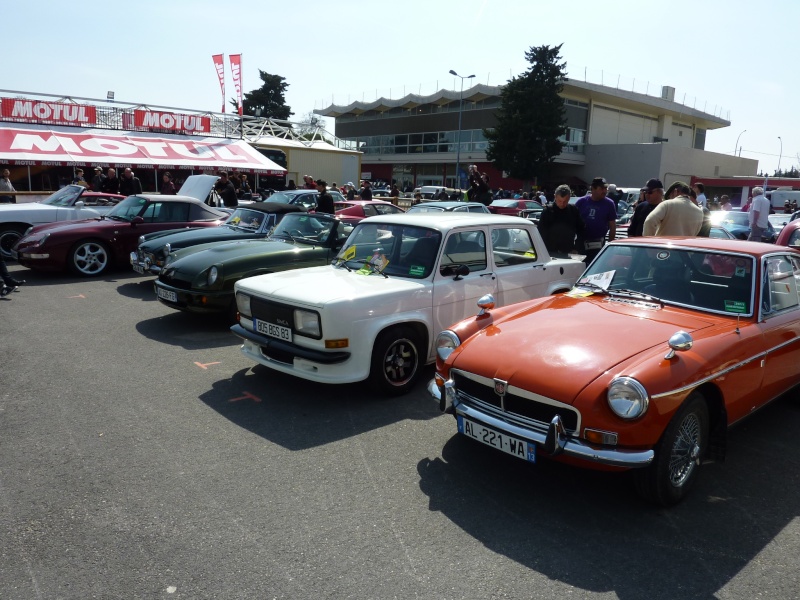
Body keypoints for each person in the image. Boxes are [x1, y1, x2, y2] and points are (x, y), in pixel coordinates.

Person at [575, 176, 617, 264]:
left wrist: (610, 246)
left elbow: (612, 226)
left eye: (606, 188)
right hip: (581, 244)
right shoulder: (581, 202)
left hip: (598, 244)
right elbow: (572, 223)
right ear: (593, 188)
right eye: (601, 188)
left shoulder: (609, 204)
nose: (604, 191)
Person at [537, 184, 584, 257]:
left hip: (569, 250)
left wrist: (577, 247)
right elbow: (541, 233)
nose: (562, 204)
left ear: (569, 198)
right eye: (559, 201)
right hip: (550, 251)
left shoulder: (573, 210)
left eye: (565, 201)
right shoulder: (548, 211)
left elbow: (581, 230)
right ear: (555, 196)